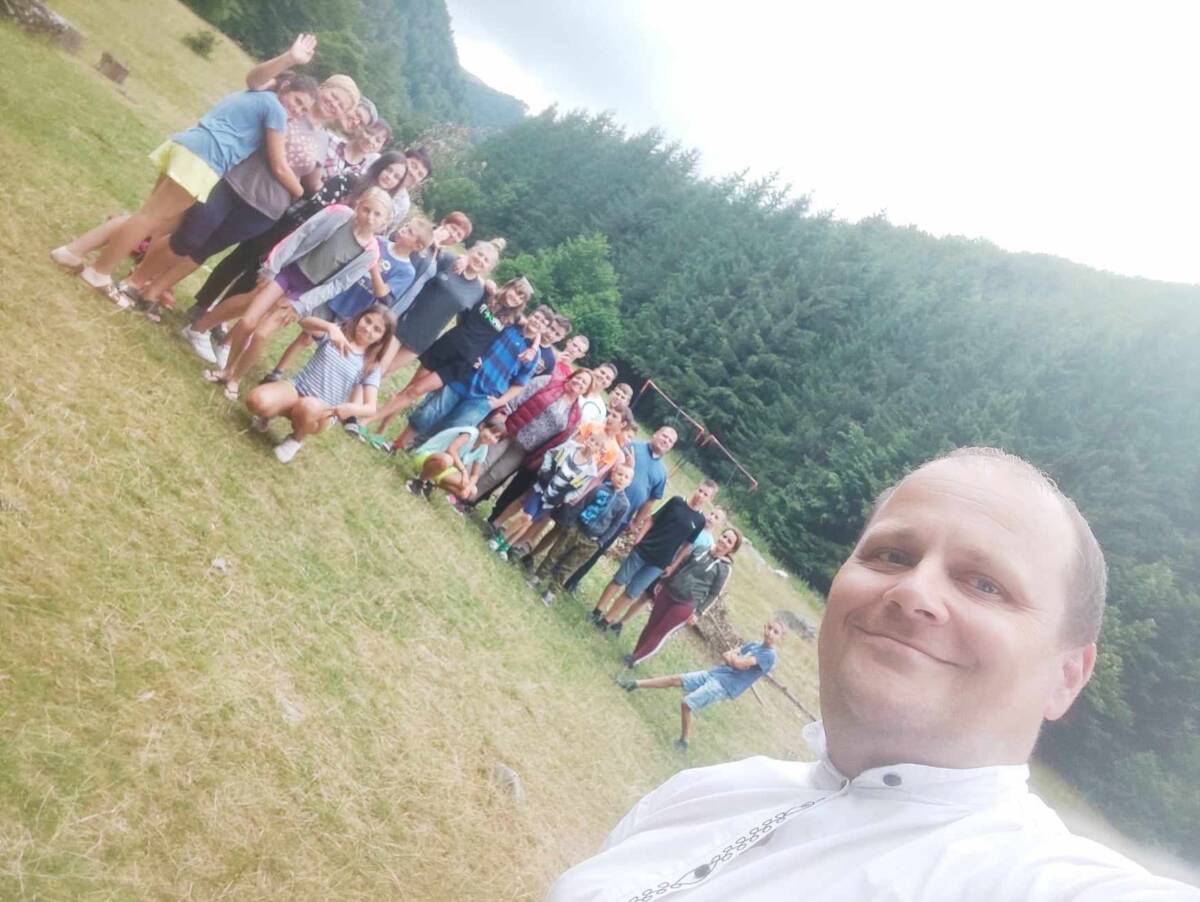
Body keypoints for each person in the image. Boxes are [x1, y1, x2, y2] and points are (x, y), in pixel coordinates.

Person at [549, 448, 1200, 901]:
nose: (912, 591)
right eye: (891, 554)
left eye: (985, 583)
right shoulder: (701, 794)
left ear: (1067, 676)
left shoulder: (1035, 880)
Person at [51, 38, 324, 299]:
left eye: (304, 109)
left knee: (151, 217)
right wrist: (300, 191)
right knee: (149, 219)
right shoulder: (274, 109)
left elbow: (254, 78)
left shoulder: (258, 95)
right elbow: (279, 163)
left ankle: (72, 252)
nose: (297, 111)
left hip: (188, 146)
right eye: (297, 101)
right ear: (284, 88)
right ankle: (98, 273)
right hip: (204, 159)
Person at [198, 188, 391, 400]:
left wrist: (301, 305)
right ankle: (227, 369)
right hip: (288, 273)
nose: (369, 217)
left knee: (261, 335)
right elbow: (301, 234)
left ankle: (236, 378)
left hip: (304, 293)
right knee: (247, 321)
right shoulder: (338, 214)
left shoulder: (370, 254)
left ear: (385, 222)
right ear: (359, 205)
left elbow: (338, 285)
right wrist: (272, 267)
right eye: (366, 210)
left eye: (377, 215)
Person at [262, 216, 434, 383]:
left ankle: (309, 381)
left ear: (417, 246)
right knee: (306, 335)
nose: (403, 230)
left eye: (410, 232)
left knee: (335, 348)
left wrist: (374, 267)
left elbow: (382, 293)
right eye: (406, 226)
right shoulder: (379, 242)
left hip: (355, 310)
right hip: (336, 295)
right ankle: (277, 372)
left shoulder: (407, 271)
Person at [361, 275, 535, 437]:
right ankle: (378, 427)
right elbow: (475, 278)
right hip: (448, 345)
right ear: (509, 286)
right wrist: (485, 281)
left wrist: (534, 347)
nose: (516, 297)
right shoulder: (486, 294)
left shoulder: (513, 319)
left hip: (462, 362)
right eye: (516, 291)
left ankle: (370, 423)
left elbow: (535, 328)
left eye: (521, 298)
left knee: (416, 391)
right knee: (410, 387)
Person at [243, 303, 394, 463]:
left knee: (307, 406)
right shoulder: (337, 334)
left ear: (382, 338)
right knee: (256, 400)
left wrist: (352, 408)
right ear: (360, 317)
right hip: (297, 388)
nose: (368, 329)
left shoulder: (371, 365)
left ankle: (296, 439)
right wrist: (329, 327)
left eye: (377, 329)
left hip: (322, 411)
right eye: (367, 321)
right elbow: (303, 321)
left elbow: (371, 407)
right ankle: (272, 411)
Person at [616, 617, 783, 752]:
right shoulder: (754, 645)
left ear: (780, 638)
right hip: (716, 674)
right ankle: (634, 684)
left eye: (776, 632)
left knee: (687, 704)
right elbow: (727, 655)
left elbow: (738, 663)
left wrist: (735, 659)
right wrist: (735, 659)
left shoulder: (769, 656)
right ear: (764, 627)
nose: (770, 633)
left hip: (724, 686)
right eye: (769, 628)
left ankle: (684, 742)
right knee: (675, 679)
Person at [591, 480, 716, 636]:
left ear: (709, 499)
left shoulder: (700, 521)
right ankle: (597, 611)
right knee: (619, 580)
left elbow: (687, 545)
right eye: (700, 490)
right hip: (644, 548)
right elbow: (652, 519)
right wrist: (639, 537)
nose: (700, 495)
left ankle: (607, 620)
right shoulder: (677, 502)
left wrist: (673, 565)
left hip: (660, 563)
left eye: (705, 494)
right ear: (696, 489)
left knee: (632, 592)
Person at [560, 425, 675, 594]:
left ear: (671, 447)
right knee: (575, 534)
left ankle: (573, 580)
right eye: (664, 436)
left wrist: (636, 522)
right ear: (655, 434)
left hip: (621, 517)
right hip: (601, 503)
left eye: (670, 441)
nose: (666, 441)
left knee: (597, 548)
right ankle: (557, 566)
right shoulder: (632, 447)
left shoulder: (662, 473)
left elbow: (651, 500)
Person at [625, 526, 741, 668]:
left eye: (729, 541)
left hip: (686, 603)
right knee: (651, 624)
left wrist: (698, 613)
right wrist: (663, 582)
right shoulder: (701, 549)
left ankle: (635, 659)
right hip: (669, 591)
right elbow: (681, 566)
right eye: (724, 536)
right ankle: (634, 654)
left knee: (661, 631)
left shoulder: (724, 569)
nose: (724, 541)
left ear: (732, 549)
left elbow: (714, 594)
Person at [488, 431, 607, 559]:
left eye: (596, 444)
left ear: (599, 450)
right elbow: (550, 454)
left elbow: (578, 491)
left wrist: (563, 499)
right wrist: (545, 471)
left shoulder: (591, 471)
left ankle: (506, 546)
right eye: (591, 439)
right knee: (526, 517)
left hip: (553, 499)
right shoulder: (570, 446)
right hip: (542, 488)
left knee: (529, 522)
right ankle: (500, 538)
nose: (592, 444)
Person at [528, 463, 633, 606]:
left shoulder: (624, 504)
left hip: (591, 540)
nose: (622, 478)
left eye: (626, 477)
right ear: (613, 474)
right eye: (620, 474)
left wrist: (601, 541)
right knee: (555, 554)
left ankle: (552, 591)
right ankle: (538, 577)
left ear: (629, 482)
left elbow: (614, 526)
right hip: (576, 529)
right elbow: (582, 505)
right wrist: (571, 524)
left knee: (569, 566)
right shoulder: (599, 489)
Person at [405, 411, 508, 511]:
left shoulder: (483, 448)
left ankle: (429, 484)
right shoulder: (471, 433)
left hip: (444, 466)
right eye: (491, 432)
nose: (491, 438)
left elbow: (475, 474)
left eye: (496, 438)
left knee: (472, 491)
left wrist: (468, 487)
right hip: (427, 456)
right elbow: (451, 450)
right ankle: (419, 481)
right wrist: (463, 472)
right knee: (447, 460)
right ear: (482, 426)